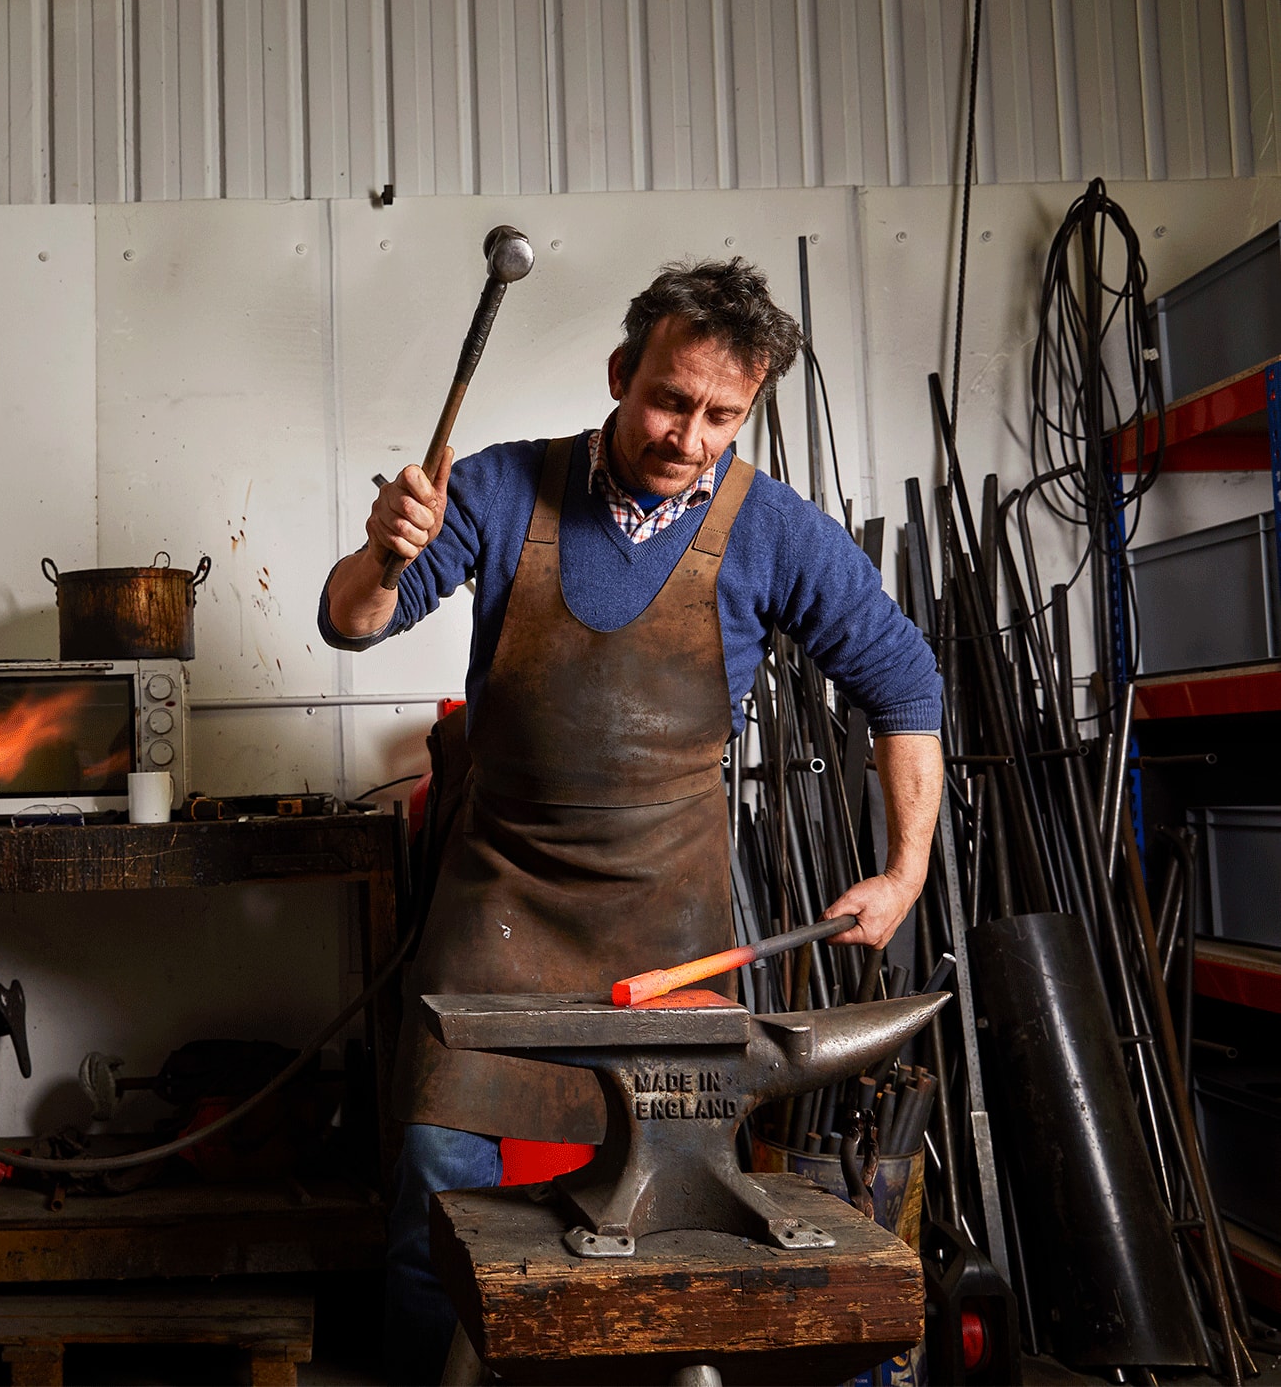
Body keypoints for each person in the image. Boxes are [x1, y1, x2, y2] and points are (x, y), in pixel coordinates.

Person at [317, 258, 944, 1383]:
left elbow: (904, 684)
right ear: (620, 372)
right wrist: (382, 551)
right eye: (668, 398)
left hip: (678, 934)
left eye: (721, 415)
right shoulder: (506, 490)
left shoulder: (772, 533)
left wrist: (902, 875)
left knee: (677, 1241)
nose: (688, 435)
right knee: (431, 1211)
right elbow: (351, 623)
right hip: (496, 918)